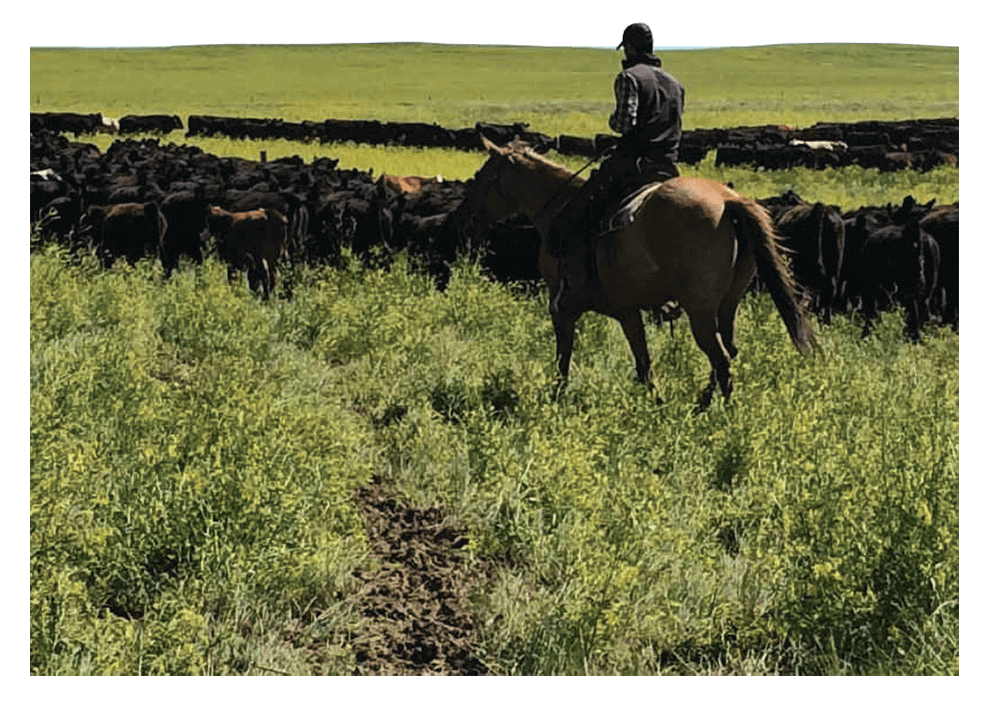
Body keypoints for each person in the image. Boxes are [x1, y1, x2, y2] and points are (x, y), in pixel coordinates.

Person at [551, 22, 685, 314]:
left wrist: (613, 124)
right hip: (667, 168)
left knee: (577, 215)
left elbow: (624, 123)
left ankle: (584, 289)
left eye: (625, 47)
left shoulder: (629, 77)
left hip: (633, 169)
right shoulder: (676, 84)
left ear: (631, 47)